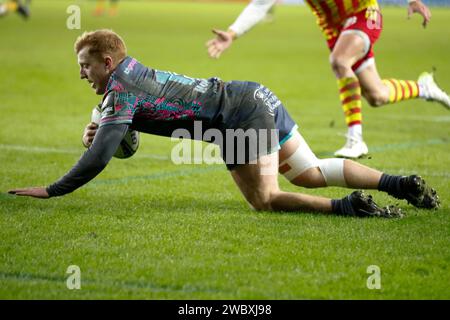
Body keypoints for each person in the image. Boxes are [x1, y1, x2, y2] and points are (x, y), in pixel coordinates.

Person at [9, 29, 440, 218]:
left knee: (266, 200)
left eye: (85, 66)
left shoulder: (119, 90)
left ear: (107, 61)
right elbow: (126, 141)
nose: (81, 74)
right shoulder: (128, 80)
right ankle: (399, 184)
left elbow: (106, 154)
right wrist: (104, 133)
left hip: (235, 118)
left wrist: (52, 189)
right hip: (252, 94)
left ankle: (352, 207)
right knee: (309, 173)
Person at [206, 0, 450, 158]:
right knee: (377, 95)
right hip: (335, 28)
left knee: (339, 61)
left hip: (363, 13)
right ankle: (424, 87)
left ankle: (356, 140)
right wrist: (232, 33)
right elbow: (260, 5)